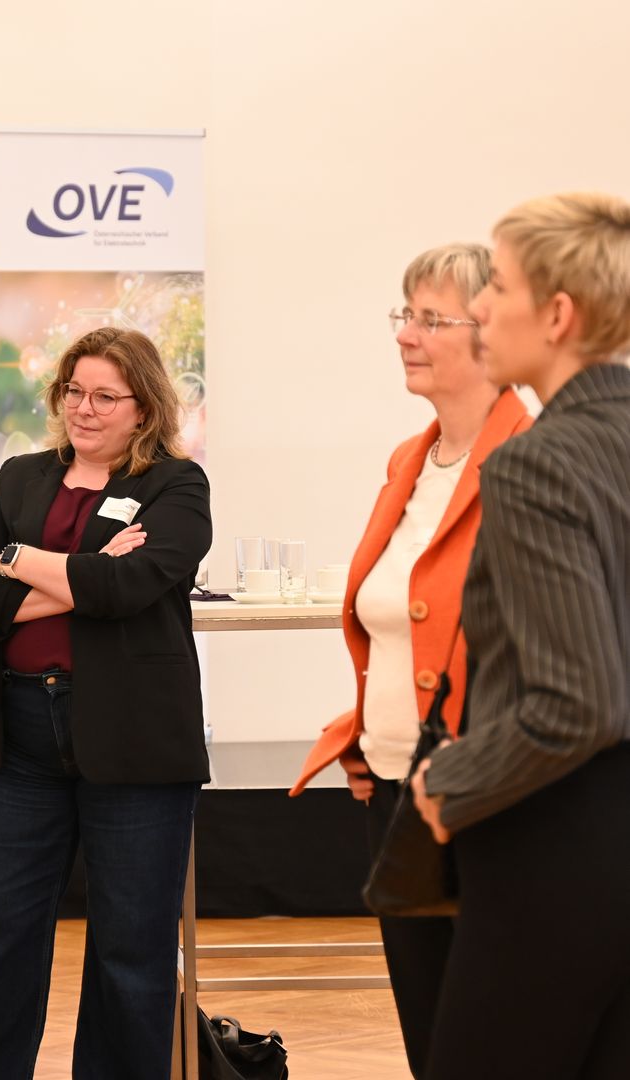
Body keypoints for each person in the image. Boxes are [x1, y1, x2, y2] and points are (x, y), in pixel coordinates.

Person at [0, 326, 211, 1080]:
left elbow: (130, 587)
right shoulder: (20, 478)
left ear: (143, 407)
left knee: (131, 947)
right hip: (24, 733)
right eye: (74, 392)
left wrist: (21, 562)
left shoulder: (176, 486)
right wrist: (79, 570)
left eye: (105, 397)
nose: (84, 409)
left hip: (134, 737)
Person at [288, 243, 530, 1077]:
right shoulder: (408, 462)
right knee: (430, 1035)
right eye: (405, 314)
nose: (405, 334)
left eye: (430, 319)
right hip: (395, 789)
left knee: (494, 1040)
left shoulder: (533, 461)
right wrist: (368, 728)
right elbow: (401, 622)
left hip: (489, 794)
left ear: (489, 332)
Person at [411, 193, 630, 1080]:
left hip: (558, 851)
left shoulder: (536, 461)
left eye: (497, 286)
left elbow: (578, 702)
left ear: (558, 314)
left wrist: (449, 780)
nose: (480, 307)